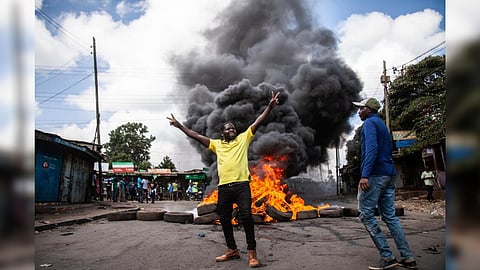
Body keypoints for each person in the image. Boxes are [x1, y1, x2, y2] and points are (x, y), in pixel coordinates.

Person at [167, 91, 280, 268]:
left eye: (233, 127)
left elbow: (257, 122)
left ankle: (252, 254)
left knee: (247, 217)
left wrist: (269, 107)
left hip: (242, 186)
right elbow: (194, 135)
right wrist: (179, 125)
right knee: (225, 219)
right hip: (225, 188)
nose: (231, 129)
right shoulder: (216, 144)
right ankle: (232, 250)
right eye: (227, 128)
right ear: (222, 133)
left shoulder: (243, 139)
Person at [353, 97, 417, 270]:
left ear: (370, 110)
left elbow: (372, 150)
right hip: (389, 174)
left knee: (365, 214)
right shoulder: (381, 124)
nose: (359, 112)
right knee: (390, 216)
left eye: (362, 108)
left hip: (375, 175)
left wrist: (365, 175)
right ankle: (408, 257)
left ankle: (387, 257)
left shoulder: (369, 124)